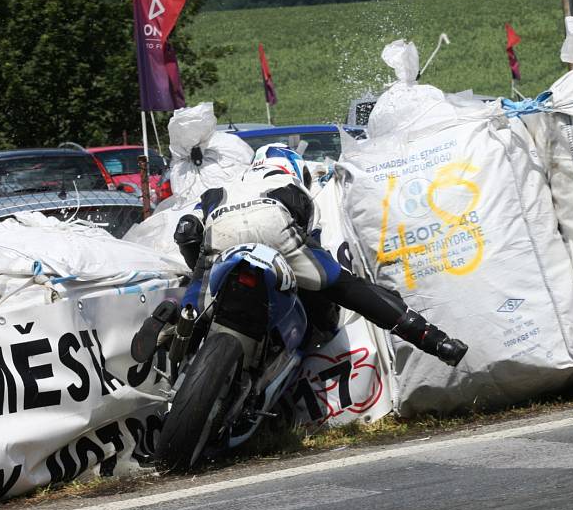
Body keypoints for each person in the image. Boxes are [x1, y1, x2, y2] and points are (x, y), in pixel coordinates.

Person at [133, 144, 467, 366]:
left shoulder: (226, 186)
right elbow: (316, 249)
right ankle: (433, 340)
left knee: (200, 293)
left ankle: (177, 320)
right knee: (340, 285)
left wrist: (197, 268)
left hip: (221, 227)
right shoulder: (294, 188)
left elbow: (188, 227)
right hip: (273, 220)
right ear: (295, 169)